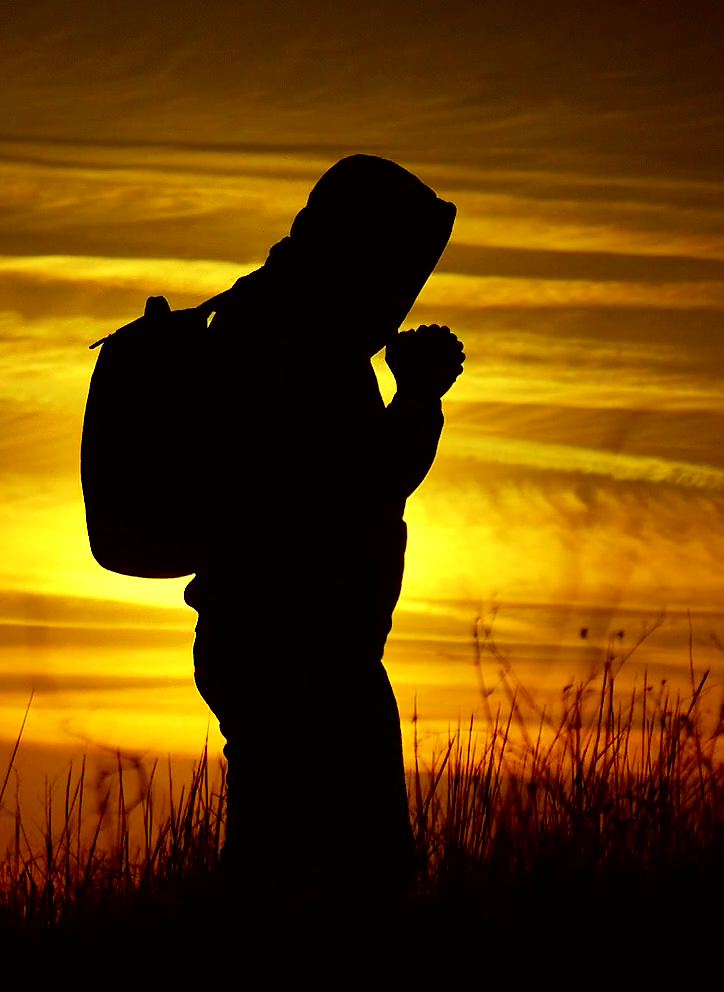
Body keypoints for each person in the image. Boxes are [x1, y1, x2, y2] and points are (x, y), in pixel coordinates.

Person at [188, 154, 462, 912]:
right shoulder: (298, 343)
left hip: (276, 642)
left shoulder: (272, 323)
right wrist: (420, 395)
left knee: (283, 863)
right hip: (300, 650)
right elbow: (360, 485)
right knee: (344, 876)